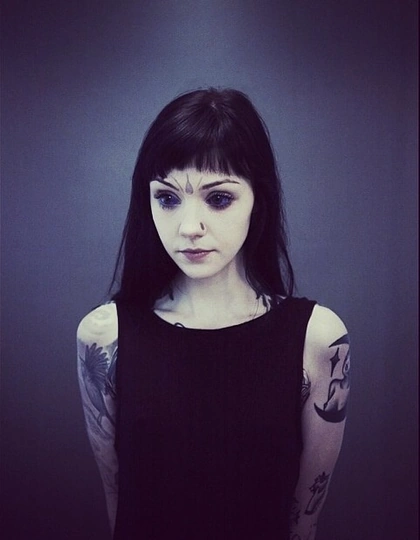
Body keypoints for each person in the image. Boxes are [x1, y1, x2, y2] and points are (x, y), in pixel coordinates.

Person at [77, 88, 350, 540]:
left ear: (258, 199)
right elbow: (117, 497)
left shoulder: (318, 339)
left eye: (219, 198)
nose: (189, 227)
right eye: (167, 198)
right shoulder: (104, 336)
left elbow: (304, 520)